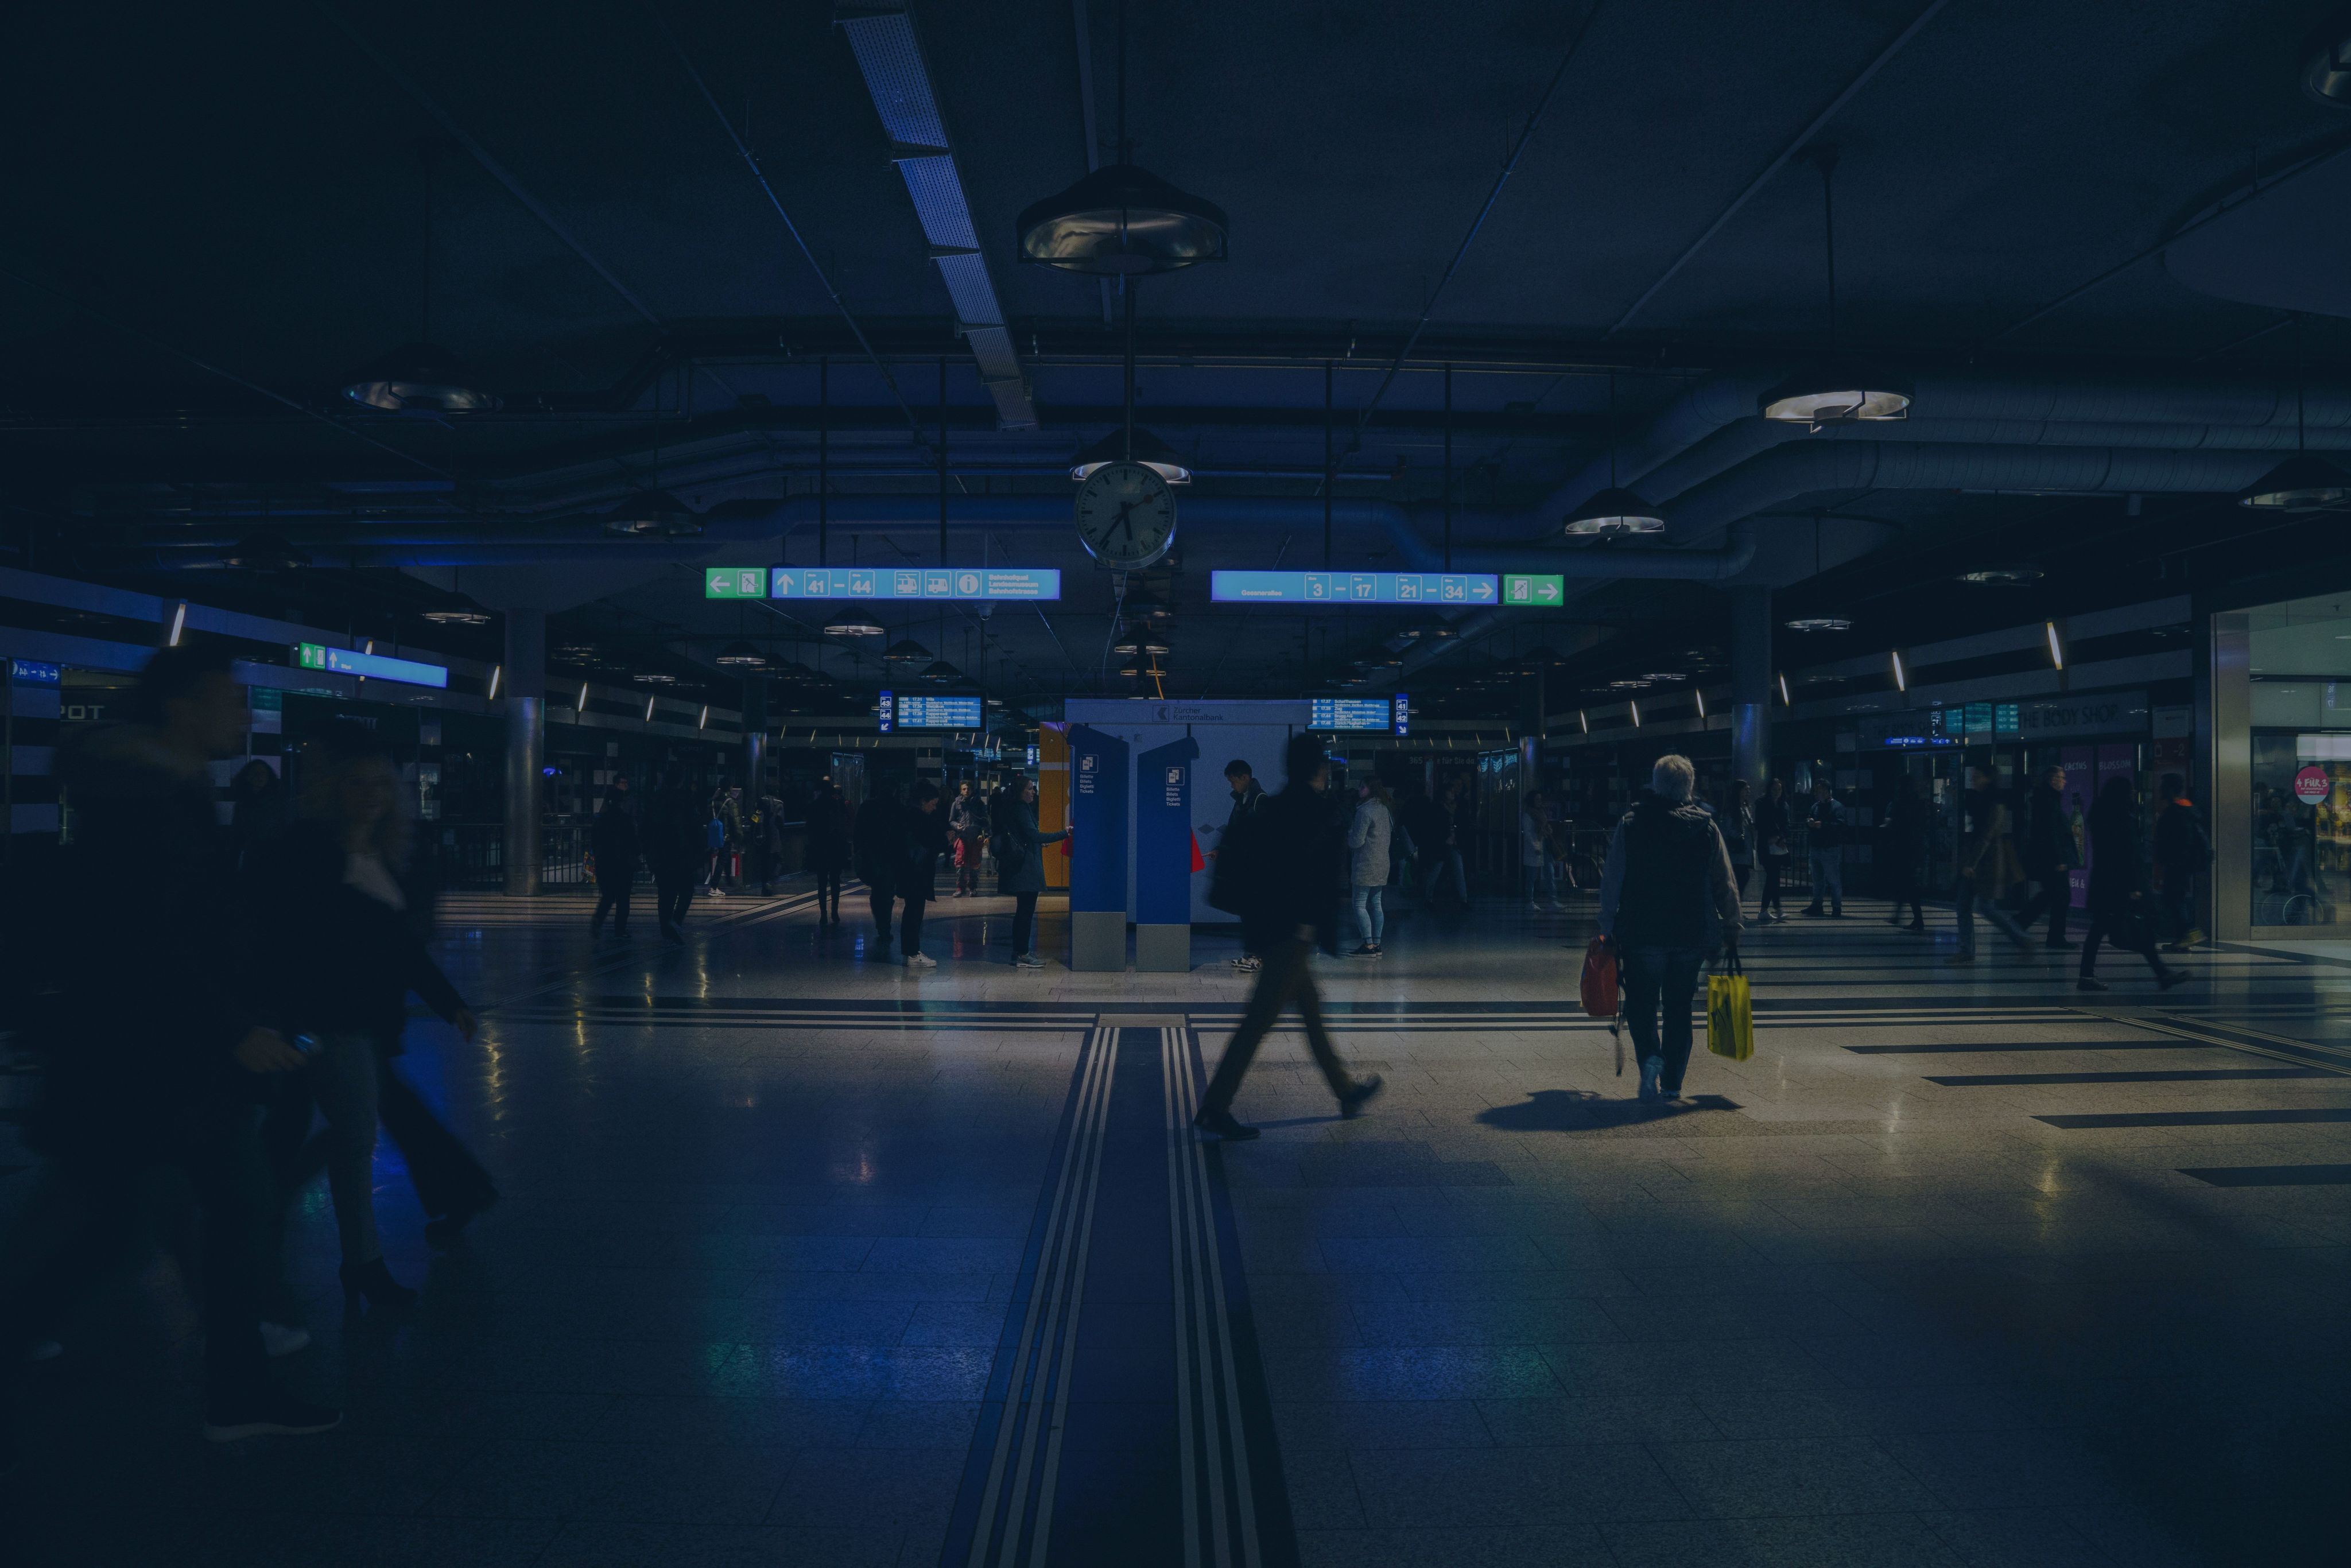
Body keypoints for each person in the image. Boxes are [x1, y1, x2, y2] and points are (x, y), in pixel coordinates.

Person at [0, 643, 338, 1445]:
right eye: (229, 700)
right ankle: (238, 1390)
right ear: (181, 710)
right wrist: (235, 1028)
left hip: (151, 1056)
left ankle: (238, 1389)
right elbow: (150, 938)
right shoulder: (146, 803)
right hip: (150, 1059)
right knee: (198, 1210)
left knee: (130, 1220)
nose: (243, 716)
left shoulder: (166, 792)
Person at [251, 728, 483, 1309]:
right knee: (353, 1138)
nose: (371, 794)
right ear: (334, 789)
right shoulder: (308, 849)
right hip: (323, 1020)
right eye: (358, 783)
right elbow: (283, 936)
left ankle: (278, 1217)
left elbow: (402, 947)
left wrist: (447, 998)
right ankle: (362, 1264)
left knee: (338, 1136)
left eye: (382, 784)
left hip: (364, 1022)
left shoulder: (385, 855)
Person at [1193, 735, 1384, 1140]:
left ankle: (1346, 1091)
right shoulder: (1315, 809)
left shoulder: (1274, 806)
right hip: (1293, 934)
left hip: (1273, 930)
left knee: (1312, 1014)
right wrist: (1309, 925)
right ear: (1319, 768)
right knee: (1258, 1022)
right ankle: (1215, 1106)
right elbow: (1316, 876)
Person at [1599, 754, 1743, 1104]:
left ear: (1655, 783)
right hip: (1692, 933)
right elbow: (1724, 880)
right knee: (1679, 1007)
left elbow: (1613, 878)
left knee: (1641, 1005)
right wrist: (1732, 922)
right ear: (1689, 786)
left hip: (1643, 930)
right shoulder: (1706, 826)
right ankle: (1674, 1083)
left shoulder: (1632, 824)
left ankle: (1651, 1059)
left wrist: (1607, 925)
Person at [2080, 775, 2187, 993]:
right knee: (2130, 930)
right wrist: (2135, 887)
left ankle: (2161, 973)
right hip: (2119, 886)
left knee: (2102, 929)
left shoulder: (2101, 814)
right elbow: (2126, 855)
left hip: (2105, 884)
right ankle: (2161, 973)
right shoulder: (2119, 817)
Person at [1952, 766, 2033, 962]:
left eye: (1977, 776)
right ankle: (1967, 951)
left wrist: (1972, 864)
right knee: (1965, 905)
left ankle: (2021, 938)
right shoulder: (1977, 799)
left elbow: (1987, 836)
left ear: (1988, 778)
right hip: (1976, 861)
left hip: (1987, 862)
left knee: (1985, 907)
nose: (1973, 780)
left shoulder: (1995, 802)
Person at [995, 777, 1066, 968]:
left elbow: (1024, 835)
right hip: (1025, 868)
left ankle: (1020, 951)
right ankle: (1022, 954)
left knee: (1023, 911)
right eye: (1030, 789)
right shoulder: (1021, 808)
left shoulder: (1012, 808)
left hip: (1020, 866)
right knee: (1025, 912)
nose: (1033, 792)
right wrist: (1064, 833)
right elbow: (1033, 834)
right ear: (1021, 792)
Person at [2015, 766, 2078, 949]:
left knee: (2052, 895)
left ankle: (2023, 922)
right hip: (2053, 860)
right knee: (2060, 896)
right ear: (2052, 780)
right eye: (2062, 778)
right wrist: (2060, 860)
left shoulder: (2046, 799)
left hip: (2049, 859)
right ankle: (2050, 934)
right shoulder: (2048, 801)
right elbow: (2051, 833)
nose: (2064, 781)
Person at [1219, 759, 1270, 972]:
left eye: (1233, 781)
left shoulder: (1261, 800)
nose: (1232, 785)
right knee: (1248, 913)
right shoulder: (1242, 800)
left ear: (1244, 778)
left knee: (1257, 914)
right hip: (1246, 867)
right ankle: (1251, 953)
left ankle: (1259, 956)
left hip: (1258, 868)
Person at [645, 767, 703, 944]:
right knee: (687, 890)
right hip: (681, 854)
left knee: (665, 893)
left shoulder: (655, 799)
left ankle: (666, 928)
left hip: (660, 854)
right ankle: (675, 921)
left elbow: (646, 827)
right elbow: (694, 827)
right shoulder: (685, 800)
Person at [2153, 775, 2210, 950]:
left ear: (2170, 789)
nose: (2161, 790)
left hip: (2178, 863)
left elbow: (2176, 840)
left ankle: (2190, 932)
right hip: (2186, 864)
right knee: (2176, 897)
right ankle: (2184, 938)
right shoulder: (2190, 808)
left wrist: (2169, 858)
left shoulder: (2175, 812)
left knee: (2172, 898)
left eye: (2163, 786)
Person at [898, 778, 948, 968]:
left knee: (912, 910)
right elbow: (932, 842)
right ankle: (912, 952)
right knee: (915, 912)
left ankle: (910, 951)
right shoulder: (919, 818)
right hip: (917, 872)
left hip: (909, 871)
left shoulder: (907, 815)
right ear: (923, 801)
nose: (934, 808)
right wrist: (945, 839)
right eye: (933, 804)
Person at [853, 781, 904, 961]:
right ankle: (885, 925)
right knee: (888, 892)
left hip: (871, 855)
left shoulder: (867, 807)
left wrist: (858, 851)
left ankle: (881, 923)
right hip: (890, 857)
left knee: (877, 890)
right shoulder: (897, 808)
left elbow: (858, 831)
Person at [1348, 777, 1395, 957]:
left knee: (1359, 904)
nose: (1359, 790)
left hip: (1365, 863)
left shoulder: (1364, 811)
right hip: (1383, 862)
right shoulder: (1385, 809)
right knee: (1376, 904)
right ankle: (1377, 943)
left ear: (1371, 790)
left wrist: (1349, 835)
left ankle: (1368, 945)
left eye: (1363, 787)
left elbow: (1357, 842)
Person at [589, 779, 638, 938]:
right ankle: (620, 929)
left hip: (604, 862)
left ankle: (598, 919)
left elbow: (594, 841)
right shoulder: (625, 819)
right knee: (623, 899)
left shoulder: (601, 820)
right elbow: (633, 842)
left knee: (608, 895)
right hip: (623, 863)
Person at [1880, 775, 1929, 933]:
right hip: (1915, 849)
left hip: (1903, 849)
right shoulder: (1918, 803)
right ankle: (1913, 917)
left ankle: (1916, 919)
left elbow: (1894, 824)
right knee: (1909, 884)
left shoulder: (1899, 803)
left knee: (1907, 884)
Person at [227, 758, 290, 875]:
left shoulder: (278, 802)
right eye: (255, 773)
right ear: (248, 777)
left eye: (263, 773)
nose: (259, 776)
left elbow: (285, 828)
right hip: (253, 858)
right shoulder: (243, 805)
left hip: (274, 857)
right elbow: (237, 837)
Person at [805, 781, 850, 929]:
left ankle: (823, 913)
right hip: (835, 846)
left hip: (820, 847)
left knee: (822, 882)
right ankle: (835, 911)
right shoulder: (837, 804)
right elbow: (844, 824)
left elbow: (810, 828)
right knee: (835, 881)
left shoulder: (814, 806)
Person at [1424, 775, 1472, 909]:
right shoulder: (1439, 807)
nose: (1454, 793)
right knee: (1437, 870)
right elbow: (1435, 827)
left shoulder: (1456, 806)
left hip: (1453, 842)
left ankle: (1464, 899)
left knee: (1457, 870)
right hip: (1444, 843)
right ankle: (1429, 898)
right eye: (1451, 791)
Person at [1800, 778, 1846, 917]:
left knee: (1832, 880)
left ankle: (1836, 907)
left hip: (1828, 848)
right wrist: (1810, 823)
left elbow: (1841, 826)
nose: (1817, 794)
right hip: (1818, 847)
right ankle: (1818, 905)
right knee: (1818, 879)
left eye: (1819, 791)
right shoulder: (1816, 806)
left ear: (1827, 791)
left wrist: (1822, 825)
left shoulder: (1837, 807)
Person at [1753, 777, 1791, 922]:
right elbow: (1761, 824)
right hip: (1766, 845)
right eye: (1775, 789)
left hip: (1778, 844)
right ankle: (1777, 909)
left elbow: (1787, 825)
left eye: (1779, 789)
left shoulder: (1784, 805)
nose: (1777, 792)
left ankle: (1766, 910)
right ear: (1769, 790)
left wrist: (1781, 838)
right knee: (1773, 877)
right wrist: (1773, 837)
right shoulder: (1762, 804)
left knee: (1773, 877)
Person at [1520, 791, 1564, 914]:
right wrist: (1535, 846)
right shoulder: (1528, 815)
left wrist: (1547, 830)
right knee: (1532, 876)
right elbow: (1528, 834)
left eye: (1540, 799)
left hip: (1544, 846)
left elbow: (1544, 826)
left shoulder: (1541, 813)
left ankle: (1553, 900)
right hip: (1535, 848)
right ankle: (1530, 901)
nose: (1539, 802)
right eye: (1537, 800)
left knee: (1550, 873)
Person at [948, 780, 986, 897]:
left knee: (975, 864)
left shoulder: (979, 803)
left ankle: (973, 888)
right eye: (964, 789)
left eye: (968, 789)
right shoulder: (956, 804)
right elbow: (951, 820)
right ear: (961, 790)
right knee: (960, 863)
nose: (966, 791)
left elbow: (985, 819)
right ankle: (960, 888)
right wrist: (956, 826)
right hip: (962, 837)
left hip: (975, 837)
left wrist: (986, 834)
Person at [1721, 779, 1756, 899]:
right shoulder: (1732, 808)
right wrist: (1737, 835)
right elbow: (1727, 828)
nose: (1748, 792)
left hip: (1745, 847)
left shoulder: (1746, 807)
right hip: (1737, 848)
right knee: (1741, 876)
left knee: (1742, 877)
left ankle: (1736, 905)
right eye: (1745, 789)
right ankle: (1735, 905)